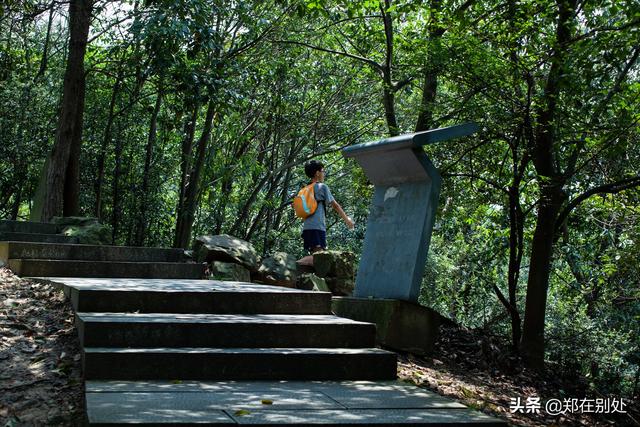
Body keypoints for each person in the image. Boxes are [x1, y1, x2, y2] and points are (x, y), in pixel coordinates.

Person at [300, 160, 354, 257]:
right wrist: (347, 220)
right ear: (317, 173)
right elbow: (335, 206)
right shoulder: (322, 187)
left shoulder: (305, 189)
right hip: (317, 227)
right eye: (323, 171)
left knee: (315, 256)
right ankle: (294, 266)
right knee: (319, 258)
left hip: (307, 227)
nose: (324, 174)